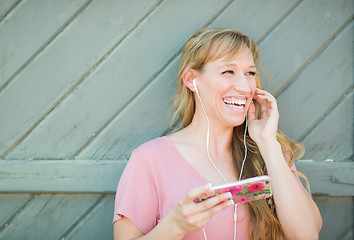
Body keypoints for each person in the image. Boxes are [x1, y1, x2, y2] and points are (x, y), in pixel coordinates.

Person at [113, 28, 322, 240]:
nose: (244, 87)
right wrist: (176, 224)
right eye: (228, 72)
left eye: (250, 73)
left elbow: (307, 235)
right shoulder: (150, 160)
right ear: (191, 80)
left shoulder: (270, 151)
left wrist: (267, 142)